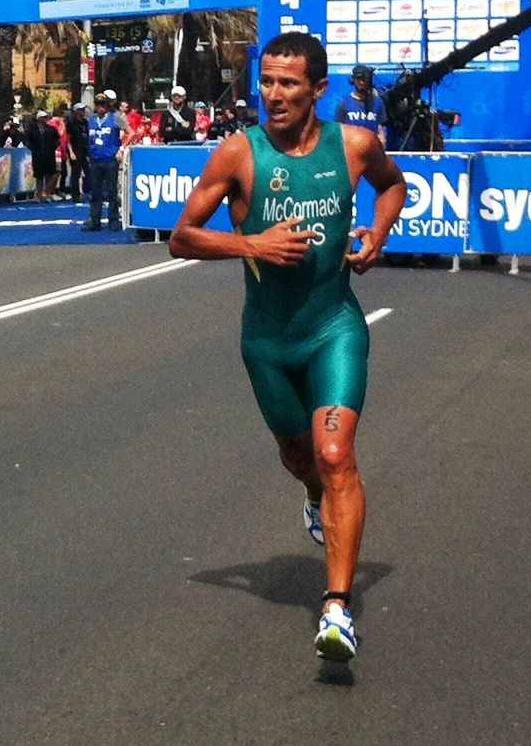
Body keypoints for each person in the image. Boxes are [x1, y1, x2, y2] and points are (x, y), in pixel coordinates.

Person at [169, 32, 407, 662]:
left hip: (334, 326)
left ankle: (336, 607)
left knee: (335, 454)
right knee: (300, 457)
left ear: (317, 89)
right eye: (267, 81)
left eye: (288, 84)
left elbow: (393, 185)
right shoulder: (237, 154)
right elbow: (181, 237)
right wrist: (252, 244)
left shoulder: (353, 145)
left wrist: (377, 234)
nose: (272, 95)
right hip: (268, 341)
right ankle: (311, 496)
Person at [82, 92, 124, 232]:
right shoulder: (91, 120)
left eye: (103, 105)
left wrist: (121, 149)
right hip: (95, 159)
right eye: (98, 105)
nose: (100, 108)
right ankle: (95, 220)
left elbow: (130, 132)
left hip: (110, 158)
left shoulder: (115, 118)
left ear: (107, 106)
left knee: (111, 192)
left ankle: (113, 219)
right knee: (95, 192)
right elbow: (88, 138)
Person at [335, 64, 388, 148]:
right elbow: (338, 129)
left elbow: (381, 127)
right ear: (353, 79)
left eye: (364, 79)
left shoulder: (377, 102)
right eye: (358, 79)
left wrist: (382, 141)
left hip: (372, 150)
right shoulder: (344, 103)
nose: (361, 82)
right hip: (351, 150)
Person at [24, 110, 61, 202]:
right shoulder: (32, 130)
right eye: (43, 117)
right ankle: (39, 194)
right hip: (37, 156)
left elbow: (57, 140)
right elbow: (27, 141)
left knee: (50, 174)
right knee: (39, 176)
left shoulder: (51, 129)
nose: (45, 119)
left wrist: (52, 148)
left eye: (46, 117)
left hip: (49, 155)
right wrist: (34, 149)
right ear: (38, 119)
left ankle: (47, 193)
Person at [66, 102, 90, 202]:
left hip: (85, 150)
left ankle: (87, 192)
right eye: (80, 110)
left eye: (83, 110)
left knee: (88, 172)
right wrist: (71, 152)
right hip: (76, 150)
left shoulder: (85, 122)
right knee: (76, 173)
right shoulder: (71, 122)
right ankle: (75, 195)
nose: (82, 112)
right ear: (76, 111)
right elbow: (68, 138)